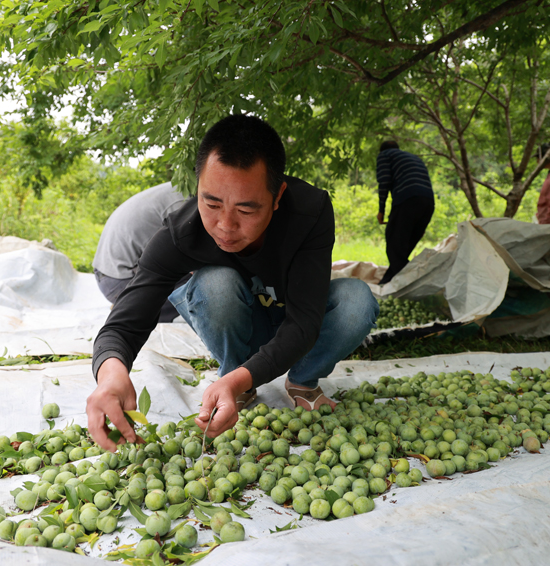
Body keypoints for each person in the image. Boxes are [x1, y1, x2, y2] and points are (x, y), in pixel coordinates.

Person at [86, 114, 379, 450]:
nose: (225, 225)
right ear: (197, 186)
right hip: (243, 327)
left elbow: (304, 322)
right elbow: (124, 323)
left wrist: (239, 381)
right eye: (211, 203)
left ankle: (302, 381)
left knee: (357, 300)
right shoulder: (182, 233)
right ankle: (236, 376)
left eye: (246, 210)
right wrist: (111, 374)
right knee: (215, 283)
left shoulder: (309, 214)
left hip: (291, 322)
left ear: (278, 197)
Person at [92, 182, 190, 322]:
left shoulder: (178, 189)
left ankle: (127, 307)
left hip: (108, 275)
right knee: (198, 285)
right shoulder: (182, 203)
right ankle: (129, 310)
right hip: (120, 281)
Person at [375, 140, 435, 285]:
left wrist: (381, 210)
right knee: (403, 247)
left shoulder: (385, 155)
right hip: (428, 203)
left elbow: (384, 181)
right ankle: (387, 282)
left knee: (393, 243)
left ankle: (413, 283)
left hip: (408, 199)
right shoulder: (413, 158)